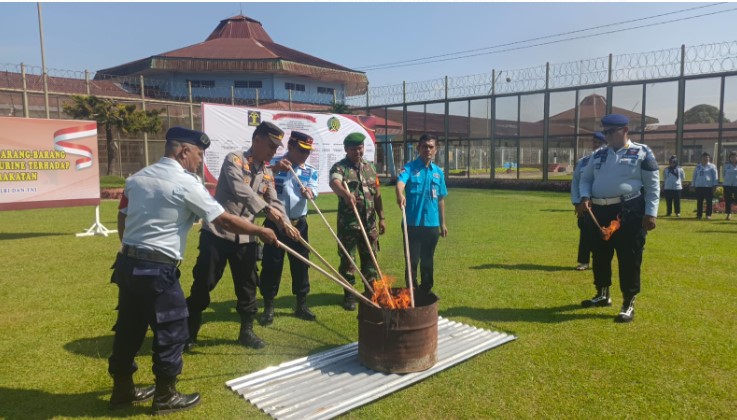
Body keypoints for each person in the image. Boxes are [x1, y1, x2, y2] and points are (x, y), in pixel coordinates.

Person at [108, 127, 277, 414]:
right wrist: (260, 229)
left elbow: (122, 217)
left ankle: (123, 388)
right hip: (158, 268)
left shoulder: (136, 179)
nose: (200, 161)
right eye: (198, 154)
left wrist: (130, 247)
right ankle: (166, 395)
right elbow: (223, 220)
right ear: (183, 151)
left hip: (127, 265)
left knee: (129, 328)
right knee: (173, 330)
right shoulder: (186, 183)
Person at [186, 121, 297, 350]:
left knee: (248, 287)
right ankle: (189, 331)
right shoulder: (234, 160)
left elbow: (274, 200)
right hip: (217, 233)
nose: (273, 152)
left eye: (276, 148)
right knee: (203, 284)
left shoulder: (266, 172)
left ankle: (246, 332)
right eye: (270, 146)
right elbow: (241, 191)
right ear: (256, 140)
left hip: (245, 238)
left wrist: (286, 223)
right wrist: (268, 211)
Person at [578, 114, 659, 323]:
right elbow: (585, 179)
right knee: (600, 254)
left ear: (624, 130)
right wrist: (585, 196)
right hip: (599, 211)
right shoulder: (598, 155)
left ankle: (628, 302)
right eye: (604, 132)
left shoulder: (642, 152)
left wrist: (651, 213)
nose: (606, 136)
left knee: (629, 257)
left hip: (628, 211)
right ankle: (602, 294)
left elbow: (652, 186)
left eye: (609, 132)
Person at [258, 131, 319, 325]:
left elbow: (314, 189)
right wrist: (275, 169)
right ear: (290, 147)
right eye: (301, 150)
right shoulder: (272, 163)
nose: (304, 155)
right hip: (275, 223)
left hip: (298, 223)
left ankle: (301, 305)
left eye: (308, 151)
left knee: (301, 265)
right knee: (271, 265)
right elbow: (259, 183)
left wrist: (310, 192)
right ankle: (268, 307)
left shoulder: (309, 169)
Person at [329, 132, 386, 311]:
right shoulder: (340, 168)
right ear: (346, 149)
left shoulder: (370, 168)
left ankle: (371, 291)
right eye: (353, 148)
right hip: (349, 225)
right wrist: (346, 194)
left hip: (369, 224)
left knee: (371, 259)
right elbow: (334, 183)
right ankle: (350, 294)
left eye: (360, 148)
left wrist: (382, 217)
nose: (357, 151)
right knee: (349, 261)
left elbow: (377, 195)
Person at [395, 134, 448, 293]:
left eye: (431, 147)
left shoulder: (438, 172)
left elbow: (440, 199)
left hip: (431, 225)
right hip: (412, 224)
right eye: (424, 146)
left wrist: (442, 223)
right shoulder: (409, 168)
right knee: (412, 261)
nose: (428, 149)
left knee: (428, 260)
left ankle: (426, 291)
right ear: (418, 148)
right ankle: (411, 290)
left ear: (436, 150)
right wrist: (399, 194)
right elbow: (400, 184)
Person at [571, 131, 607, 271]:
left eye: (600, 143)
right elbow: (576, 183)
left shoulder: (609, 161)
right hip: (585, 204)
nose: (597, 145)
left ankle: (600, 261)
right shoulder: (583, 162)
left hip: (602, 203)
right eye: (595, 142)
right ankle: (583, 262)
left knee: (602, 234)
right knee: (585, 233)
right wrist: (576, 202)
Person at [692, 152, 718, 220]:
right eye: (704, 157)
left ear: (709, 158)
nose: (705, 159)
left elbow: (715, 176)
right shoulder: (698, 166)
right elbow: (694, 176)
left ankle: (708, 215)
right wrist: (693, 185)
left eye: (707, 157)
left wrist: (714, 185)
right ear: (701, 158)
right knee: (699, 201)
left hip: (708, 186)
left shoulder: (712, 166)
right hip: (699, 186)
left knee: (709, 201)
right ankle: (699, 215)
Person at [722, 151, 737, 220]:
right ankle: (729, 214)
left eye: (735, 157)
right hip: (727, 185)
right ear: (729, 158)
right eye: (732, 157)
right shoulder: (726, 166)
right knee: (728, 200)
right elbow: (723, 175)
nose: (733, 158)